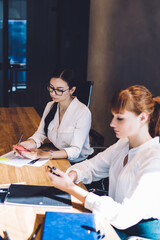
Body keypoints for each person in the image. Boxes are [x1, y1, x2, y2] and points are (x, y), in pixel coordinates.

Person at [46, 85, 160, 240]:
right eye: (113, 116)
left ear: (142, 118)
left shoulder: (154, 159)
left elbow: (124, 216)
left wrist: (72, 189)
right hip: (114, 221)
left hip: (141, 233)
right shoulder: (124, 143)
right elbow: (92, 167)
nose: (112, 123)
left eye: (119, 118)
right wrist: (72, 176)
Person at [18, 68, 93, 163]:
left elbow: (75, 151)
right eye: (51, 88)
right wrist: (26, 145)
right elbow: (41, 134)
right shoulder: (50, 105)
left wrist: (45, 154)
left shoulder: (82, 112)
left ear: (72, 90)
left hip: (77, 163)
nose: (53, 93)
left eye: (59, 90)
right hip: (56, 154)